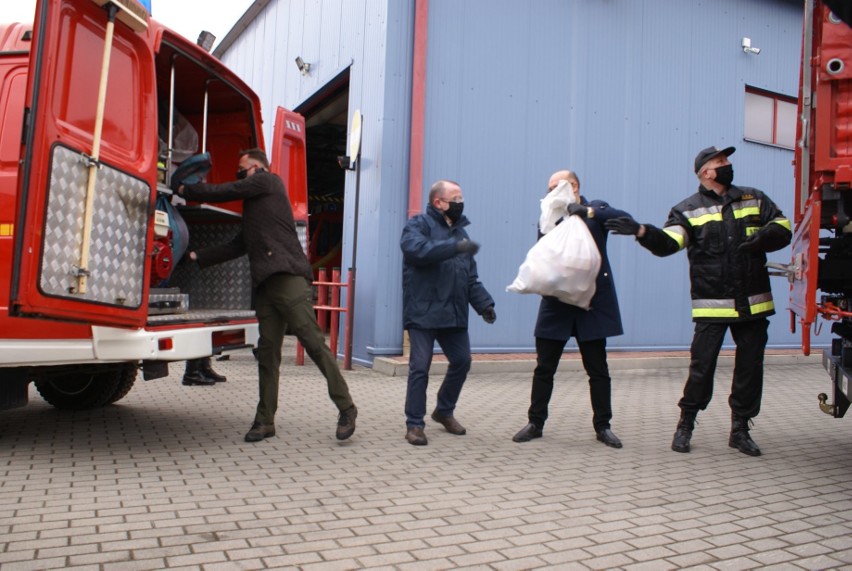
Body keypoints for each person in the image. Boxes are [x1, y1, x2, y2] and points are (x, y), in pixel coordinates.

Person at [605, 145, 792, 456]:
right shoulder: (687, 209)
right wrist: (641, 231)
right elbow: (669, 244)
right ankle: (686, 424)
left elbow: (782, 227)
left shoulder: (753, 197)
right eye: (721, 162)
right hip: (713, 305)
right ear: (706, 172)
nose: (728, 165)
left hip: (753, 303)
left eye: (726, 160)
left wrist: (764, 238)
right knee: (701, 368)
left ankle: (740, 429)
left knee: (750, 368)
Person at [176, 148, 358, 443]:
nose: (239, 174)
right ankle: (265, 422)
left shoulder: (269, 182)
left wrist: (189, 190)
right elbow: (238, 245)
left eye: (242, 168)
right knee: (267, 355)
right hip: (265, 288)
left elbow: (230, 189)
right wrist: (197, 255)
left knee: (313, 344)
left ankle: (347, 407)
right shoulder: (254, 208)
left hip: (288, 280)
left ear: (258, 167)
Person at [512, 170, 630, 449]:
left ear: (574, 186)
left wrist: (586, 211)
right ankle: (535, 423)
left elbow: (619, 217)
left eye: (558, 186)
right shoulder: (549, 216)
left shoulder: (595, 209)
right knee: (544, 368)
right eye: (549, 187)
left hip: (590, 306)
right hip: (557, 306)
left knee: (598, 370)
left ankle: (603, 426)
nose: (552, 191)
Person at [400, 180, 496, 446]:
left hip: (453, 312)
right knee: (420, 367)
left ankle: (444, 410)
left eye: (461, 197)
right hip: (423, 310)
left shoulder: (461, 234)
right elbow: (416, 251)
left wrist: (484, 304)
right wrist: (453, 248)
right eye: (455, 197)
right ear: (438, 202)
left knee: (462, 361)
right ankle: (415, 424)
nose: (460, 202)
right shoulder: (418, 225)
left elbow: (470, 278)